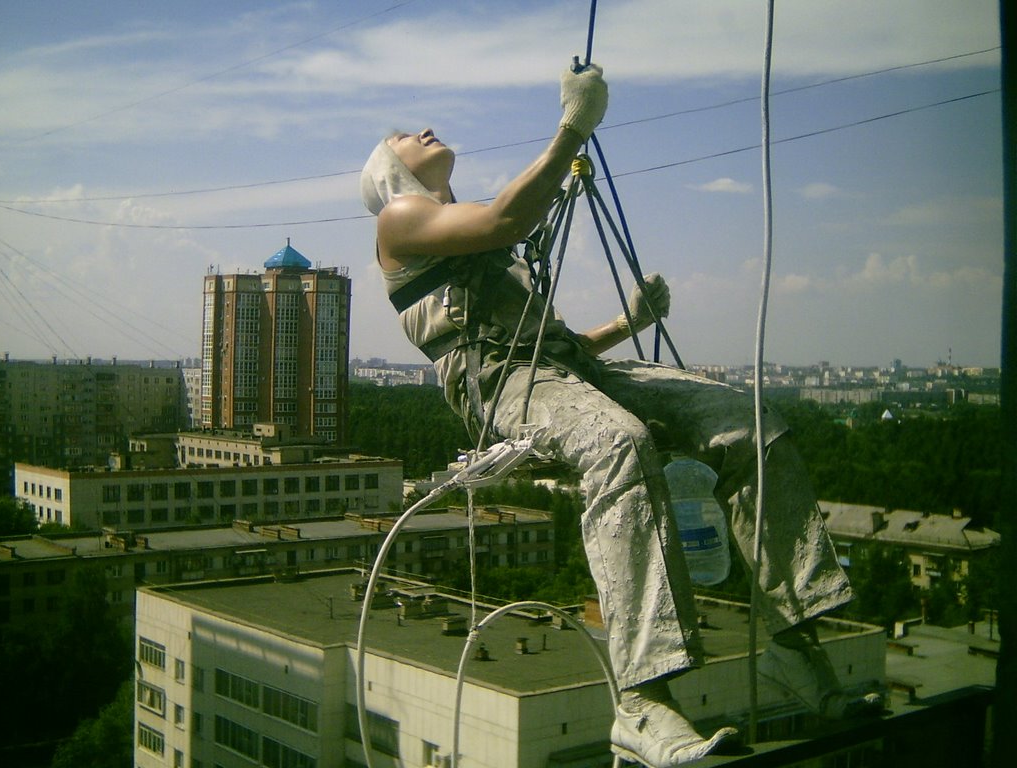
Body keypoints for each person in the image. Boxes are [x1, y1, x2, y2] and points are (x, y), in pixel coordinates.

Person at [360, 62, 880, 767]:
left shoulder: (461, 229)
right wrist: (572, 125)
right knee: (618, 442)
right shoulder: (401, 219)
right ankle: (642, 704)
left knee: (744, 421)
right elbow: (509, 222)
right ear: (392, 174)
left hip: (567, 371)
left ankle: (792, 642)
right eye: (404, 137)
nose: (422, 130)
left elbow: (559, 347)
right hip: (502, 389)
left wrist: (625, 323)